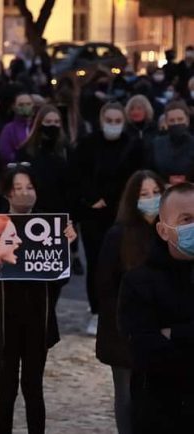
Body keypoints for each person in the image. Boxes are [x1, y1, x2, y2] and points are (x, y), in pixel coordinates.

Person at [0, 166, 76, 434]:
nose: (25, 194)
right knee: (6, 389)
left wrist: (68, 245)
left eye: (29, 188)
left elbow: (59, 278)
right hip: (3, 320)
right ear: (7, 193)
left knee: (33, 388)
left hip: (36, 321)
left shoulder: (50, 228)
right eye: (18, 188)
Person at [118, 182, 194, 433]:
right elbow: (145, 351)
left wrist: (175, 334)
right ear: (163, 230)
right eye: (186, 219)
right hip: (161, 413)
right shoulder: (139, 282)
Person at [96, 170, 165, 434]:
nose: (151, 199)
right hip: (123, 330)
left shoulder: (170, 233)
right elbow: (104, 285)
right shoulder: (118, 235)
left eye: (156, 193)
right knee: (126, 394)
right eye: (144, 194)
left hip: (162, 328)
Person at [71, 102, 143, 336]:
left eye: (117, 121)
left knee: (124, 262)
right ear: (102, 121)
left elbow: (136, 177)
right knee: (96, 263)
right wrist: (91, 198)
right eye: (109, 121)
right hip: (94, 214)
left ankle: (123, 310)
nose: (113, 125)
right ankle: (97, 311)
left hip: (123, 213)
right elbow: (78, 174)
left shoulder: (133, 144)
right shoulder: (88, 144)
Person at [16, 105, 72, 215]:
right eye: (48, 121)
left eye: (56, 122)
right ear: (39, 123)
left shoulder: (66, 149)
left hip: (60, 211)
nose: (53, 125)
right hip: (32, 209)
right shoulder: (26, 151)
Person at [146, 101, 194, 184]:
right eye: (172, 120)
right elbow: (150, 171)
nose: (176, 123)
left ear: (187, 120)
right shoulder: (156, 144)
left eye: (180, 119)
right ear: (166, 122)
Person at [0, 92, 34, 165]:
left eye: (28, 104)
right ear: (14, 107)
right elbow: (6, 154)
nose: (25, 107)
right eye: (21, 105)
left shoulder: (37, 125)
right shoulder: (9, 129)